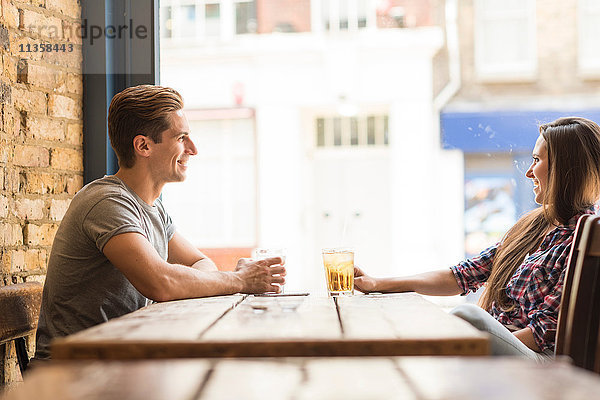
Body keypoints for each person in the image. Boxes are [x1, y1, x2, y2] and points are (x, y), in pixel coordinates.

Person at [33, 85, 285, 360]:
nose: (193, 149)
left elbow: (201, 264)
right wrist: (238, 280)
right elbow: (161, 283)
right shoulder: (107, 202)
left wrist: (223, 279)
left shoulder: (153, 208)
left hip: (117, 362)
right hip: (72, 373)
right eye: (181, 137)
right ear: (143, 146)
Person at [354, 117, 600, 361]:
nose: (528, 172)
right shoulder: (532, 227)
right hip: (511, 345)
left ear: (567, 168)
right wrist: (378, 283)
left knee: (469, 318)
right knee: (462, 323)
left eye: (536, 160)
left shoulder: (586, 239)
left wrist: (469, 344)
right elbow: (462, 275)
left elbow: (542, 334)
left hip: (543, 360)